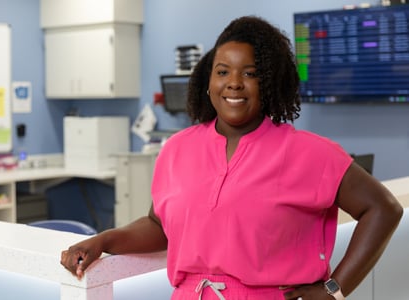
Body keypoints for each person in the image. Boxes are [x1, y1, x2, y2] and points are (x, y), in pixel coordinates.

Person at [61, 15, 403, 300]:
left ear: (268, 83)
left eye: (250, 73)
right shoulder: (177, 149)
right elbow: (159, 227)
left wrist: (334, 289)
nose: (234, 83)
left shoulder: (310, 152)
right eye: (223, 71)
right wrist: (103, 240)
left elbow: (383, 208)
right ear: (207, 82)